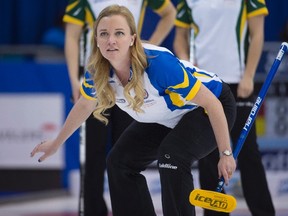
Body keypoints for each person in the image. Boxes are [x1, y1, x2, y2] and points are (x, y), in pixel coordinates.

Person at [31, 5, 237, 216]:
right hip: (167, 115)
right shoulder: (98, 71)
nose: (111, 40)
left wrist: (225, 153)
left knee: (171, 156)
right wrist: (56, 144)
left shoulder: (158, 65)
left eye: (119, 33)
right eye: (104, 34)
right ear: (97, 41)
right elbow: (84, 104)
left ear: (132, 39)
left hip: (207, 107)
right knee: (119, 162)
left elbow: (212, 103)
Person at [62, 1, 176, 215]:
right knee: (92, 154)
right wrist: (75, 80)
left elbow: (170, 13)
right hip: (96, 82)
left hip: (128, 82)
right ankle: (92, 211)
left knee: (124, 155)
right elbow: (71, 36)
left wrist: (147, 46)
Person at [173, 0, 275, 216]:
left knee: (248, 153)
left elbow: (257, 35)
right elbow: (180, 39)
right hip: (204, 86)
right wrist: (188, 68)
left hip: (239, 84)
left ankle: (264, 212)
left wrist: (248, 75)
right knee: (209, 154)